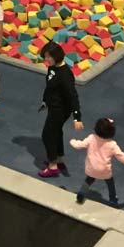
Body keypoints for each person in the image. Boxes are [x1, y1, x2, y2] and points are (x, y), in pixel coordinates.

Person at [38, 43, 83, 178]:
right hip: (53, 106)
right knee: (56, 132)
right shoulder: (52, 67)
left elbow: (73, 96)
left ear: (56, 56)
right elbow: (50, 87)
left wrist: (77, 117)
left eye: (48, 57)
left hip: (60, 110)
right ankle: (59, 159)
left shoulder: (65, 75)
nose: (46, 60)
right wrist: (45, 101)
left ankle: (52, 166)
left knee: (48, 135)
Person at [72, 118, 124, 206]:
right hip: (104, 170)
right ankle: (113, 199)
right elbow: (120, 155)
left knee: (89, 179)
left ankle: (81, 193)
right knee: (110, 183)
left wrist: (73, 141)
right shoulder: (112, 144)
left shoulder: (91, 138)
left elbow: (80, 145)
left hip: (91, 168)